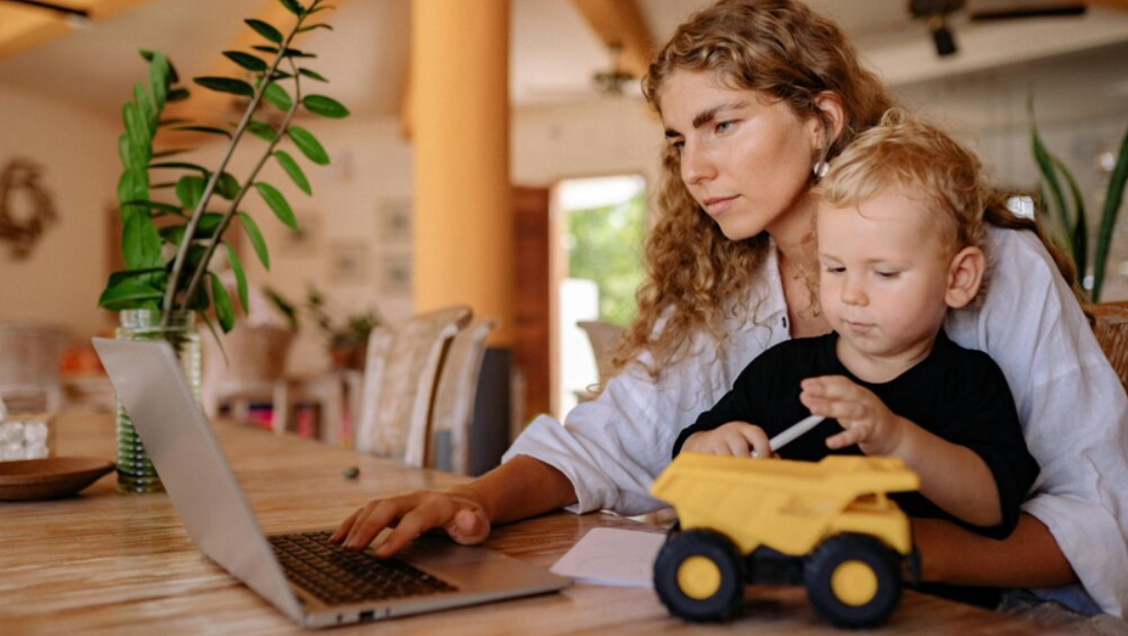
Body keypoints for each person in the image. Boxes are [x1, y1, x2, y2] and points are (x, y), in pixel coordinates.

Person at [332, 0, 1128, 618]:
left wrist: (889, 551)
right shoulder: (723, 279)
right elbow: (605, 444)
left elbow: (1102, 514)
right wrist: (472, 499)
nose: (695, 168)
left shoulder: (992, 264)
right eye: (681, 139)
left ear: (822, 119)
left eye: (723, 124)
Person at [675, 111, 1039, 557]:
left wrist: (896, 439)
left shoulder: (968, 381)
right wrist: (712, 446)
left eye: (884, 273)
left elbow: (993, 507)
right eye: (835, 268)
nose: (852, 294)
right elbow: (687, 454)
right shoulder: (781, 372)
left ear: (958, 278)